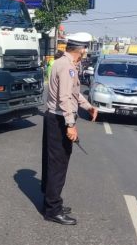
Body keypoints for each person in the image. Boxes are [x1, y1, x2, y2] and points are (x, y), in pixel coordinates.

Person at [41, 33, 98, 225]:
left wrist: (88, 106)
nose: (85, 53)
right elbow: (64, 98)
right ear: (80, 49)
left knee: (52, 163)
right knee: (58, 165)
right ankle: (52, 210)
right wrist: (71, 124)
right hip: (59, 119)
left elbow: (73, 95)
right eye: (85, 49)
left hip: (54, 117)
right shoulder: (67, 67)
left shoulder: (62, 63)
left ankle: (51, 202)